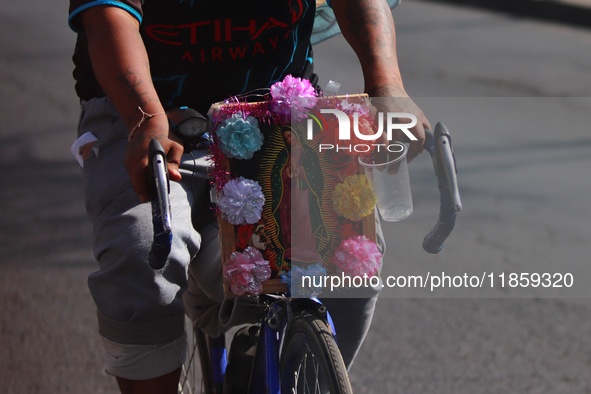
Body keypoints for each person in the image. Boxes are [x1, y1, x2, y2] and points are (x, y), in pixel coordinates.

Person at [68, 0, 430, 393]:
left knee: (349, 253)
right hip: (147, 112)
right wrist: (145, 118)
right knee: (142, 252)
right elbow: (109, 15)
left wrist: (387, 86)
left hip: (276, 105)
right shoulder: (143, 113)